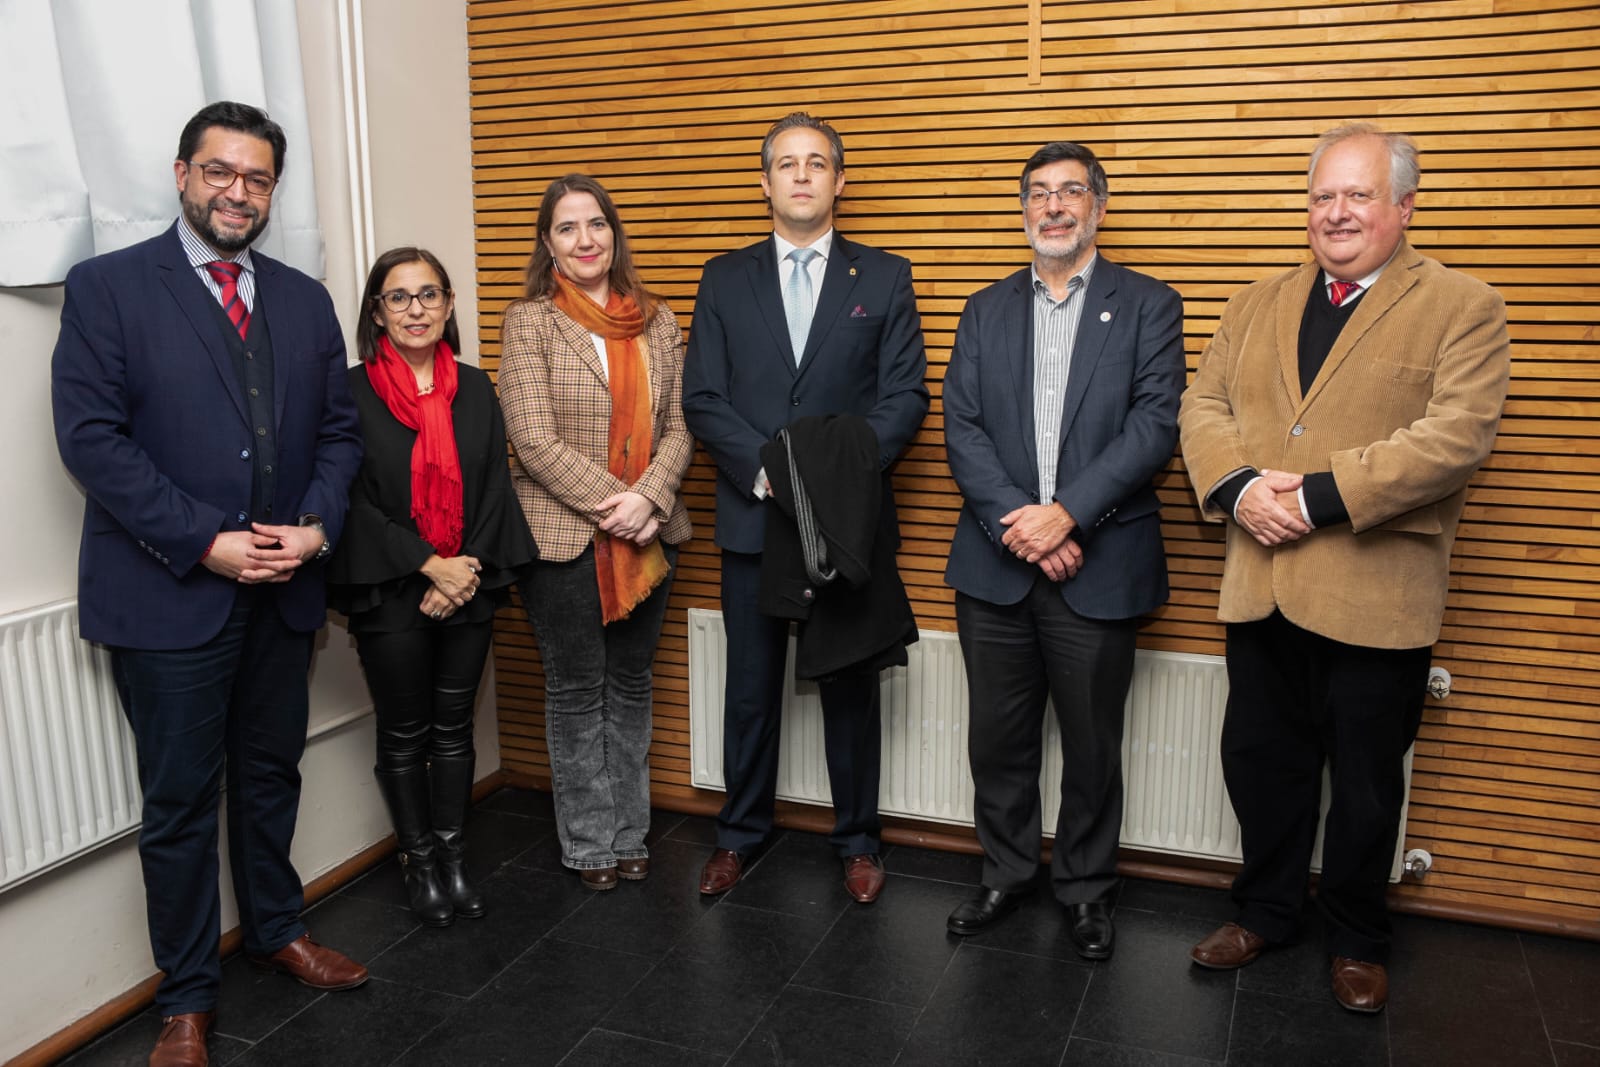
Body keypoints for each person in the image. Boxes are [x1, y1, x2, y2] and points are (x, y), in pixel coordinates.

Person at [50, 101, 367, 1067]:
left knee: (271, 776)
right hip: (169, 596)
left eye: (258, 178)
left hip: (284, 591)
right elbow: (92, 443)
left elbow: (338, 435)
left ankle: (277, 928)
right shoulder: (107, 288)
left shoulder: (304, 299)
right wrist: (209, 542)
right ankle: (187, 997)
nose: (239, 192)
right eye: (221, 172)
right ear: (183, 173)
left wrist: (314, 528)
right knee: (181, 803)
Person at [1178, 123, 1510, 1013]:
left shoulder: (1463, 305)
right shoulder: (1254, 301)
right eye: (1323, 195)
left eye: (1358, 195)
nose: (1337, 212)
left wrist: (1317, 496)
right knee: (1259, 762)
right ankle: (1265, 909)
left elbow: (1455, 438)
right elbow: (1202, 404)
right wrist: (1240, 486)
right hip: (1262, 586)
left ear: (1403, 205)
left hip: (1375, 594)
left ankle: (1359, 936)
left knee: (1366, 783)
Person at [940, 142, 1185, 959]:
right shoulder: (984, 308)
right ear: (1023, 212)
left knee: (1091, 744)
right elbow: (962, 428)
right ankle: (1007, 871)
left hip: (1102, 563)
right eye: (1039, 193)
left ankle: (1085, 887)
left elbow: (1154, 426)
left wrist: (1069, 516)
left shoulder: (1149, 304)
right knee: (997, 740)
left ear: (1099, 207)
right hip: (996, 566)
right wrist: (1027, 524)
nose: (1054, 206)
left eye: (1071, 192)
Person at [682, 112, 929, 904]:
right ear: (765, 182)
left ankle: (859, 841)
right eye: (785, 164)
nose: (800, 175)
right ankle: (738, 834)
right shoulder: (724, 277)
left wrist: (826, 482)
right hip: (754, 521)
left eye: (816, 163)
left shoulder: (884, 277)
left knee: (850, 690)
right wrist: (773, 475)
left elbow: (905, 399)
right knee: (749, 690)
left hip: (844, 529)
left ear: (839, 182)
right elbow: (704, 398)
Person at [328, 248, 537, 926]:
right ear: (377, 312)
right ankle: (417, 862)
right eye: (399, 297)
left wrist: (462, 569)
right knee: (404, 732)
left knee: (453, 731)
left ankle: (452, 857)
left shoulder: (477, 388)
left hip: (468, 586)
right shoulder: (350, 393)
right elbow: (353, 501)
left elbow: (495, 490)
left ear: (449, 307)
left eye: (428, 295)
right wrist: (428, 564)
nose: (415, 309)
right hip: (390, 590)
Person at [499, 174, 693, 891]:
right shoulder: (530, 322)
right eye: (567, 227)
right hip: (563, 540)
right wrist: (623, 502)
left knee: (632, 686)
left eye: (596, 225)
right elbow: (530, 438)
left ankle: (630, 832)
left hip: (651, 534)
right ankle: (589, 845)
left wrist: (653, 497)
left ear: (615, 235)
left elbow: (681, 425)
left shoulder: (660, 321)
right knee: (577, 690)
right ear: (548, 243)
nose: (585, 239)